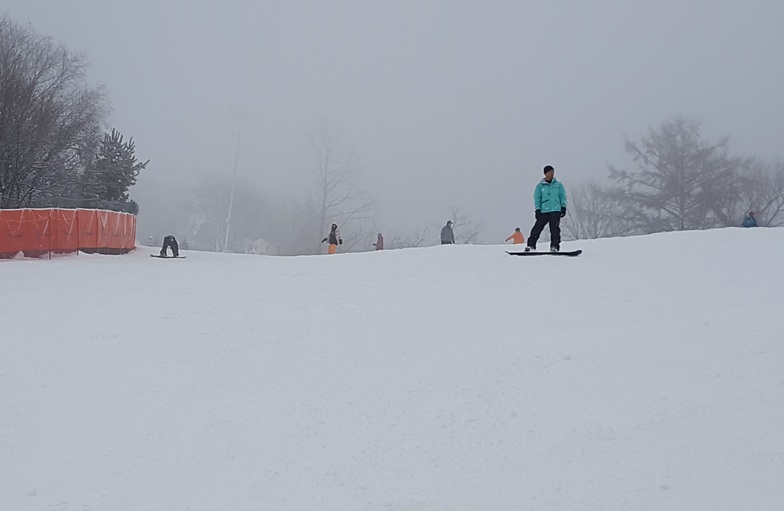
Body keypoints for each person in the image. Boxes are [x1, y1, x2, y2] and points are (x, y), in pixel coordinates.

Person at [526, 165, 567, 252]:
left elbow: (562, 196)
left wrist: (563, 207)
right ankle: (531, 246)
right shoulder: (539, 186)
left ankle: (554, 246)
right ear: (545, 174)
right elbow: (537, 198)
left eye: (552, 172)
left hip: (555, 210)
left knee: (554, 229)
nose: (551, 174)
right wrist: (537, 209)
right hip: (544, 210)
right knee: (537, 228)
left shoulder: (559, 185)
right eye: (549, 172)